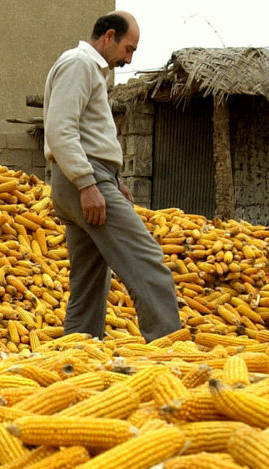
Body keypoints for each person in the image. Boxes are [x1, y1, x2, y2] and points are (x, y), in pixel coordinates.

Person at [43, 11, 182, 342]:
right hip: (81, 180)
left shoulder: (89, 71)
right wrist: (89, 183)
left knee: (90, 279)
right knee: (146, 260)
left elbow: (87, 134)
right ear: (108, 37)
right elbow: (61, 129)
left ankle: (78, 354)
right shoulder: (79, 64)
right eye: (128, 49)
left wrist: (112, 178)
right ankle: (169, 347)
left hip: (84, 177)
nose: (128, 58)